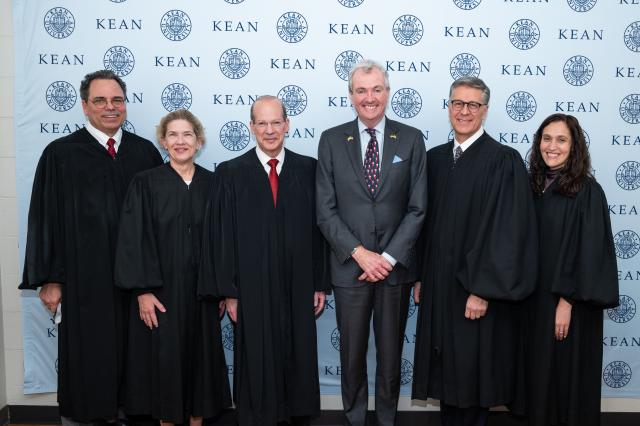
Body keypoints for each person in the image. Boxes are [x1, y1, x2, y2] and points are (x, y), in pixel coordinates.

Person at [19, 70, 163, 424]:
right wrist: (50, 278)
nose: (110, 108)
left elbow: (161, 221)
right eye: (100, 101)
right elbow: (44, 218)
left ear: (125, 106)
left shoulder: (144, 153)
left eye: (117, 100)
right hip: (85, 281)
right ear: (85, 106)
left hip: (136, 282)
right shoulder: (61, 154)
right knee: (90, 357)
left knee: (136, 358)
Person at [412, 76, 537, 426]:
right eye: (457, 103)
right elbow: (423, 223)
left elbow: (507, 232)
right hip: (440, 286)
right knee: (447, 377)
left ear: (485, 110)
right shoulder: (435, 158)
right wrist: (421, 275)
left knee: (472, 378)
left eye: (472, 105)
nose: (464, 111)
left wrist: (482, 289)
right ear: (448, 107)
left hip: (474, 292)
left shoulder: (503, 161)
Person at [199, 95, 329, 426]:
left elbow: (321, 231)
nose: (269, 130)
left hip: (298, 283)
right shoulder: (230, 173)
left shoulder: (309, 169)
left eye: (276, 123)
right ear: (251, 127)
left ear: (287, 125)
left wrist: (319, 283)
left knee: (296, 350)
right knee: (256, 356)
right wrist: (230, 291)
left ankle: (295, 415)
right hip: (250, 286)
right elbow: (221, 237)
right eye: (262, 123)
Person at [316, 59, 427, 426]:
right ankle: (354, 418)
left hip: (393, 272)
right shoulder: (331, 140)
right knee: (351, 355)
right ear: (350, 96)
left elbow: (417, 208)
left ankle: (388, 419)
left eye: (377, 89)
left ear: (387, 92)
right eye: (361, 90)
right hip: (350, 268)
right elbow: (325, 210)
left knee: (391, 353)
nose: (370, 97)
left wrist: (389, 258)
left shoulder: (411, 138)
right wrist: (361, 254)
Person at [114, 109, 231, 425]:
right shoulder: (145, 183)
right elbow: (132, 240)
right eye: (174, 135)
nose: (181, 141)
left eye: (187, 134)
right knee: (166, 368)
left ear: (199, 140)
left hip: (203, 293)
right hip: (161, 294)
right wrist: (142, 290)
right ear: (163, 142)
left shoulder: (213, 183)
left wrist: (222, 289)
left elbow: (223, 241)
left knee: (201, 368)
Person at [524, 113, 619, 426]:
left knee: (568, 380)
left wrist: (566, 301)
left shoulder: (587, 192)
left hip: (570, 306)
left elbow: (589, 253)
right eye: (546, 139)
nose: (552, 146)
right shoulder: (532, 187)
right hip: (536, 301)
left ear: (574, 146)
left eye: (561, 140)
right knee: (539, 379)